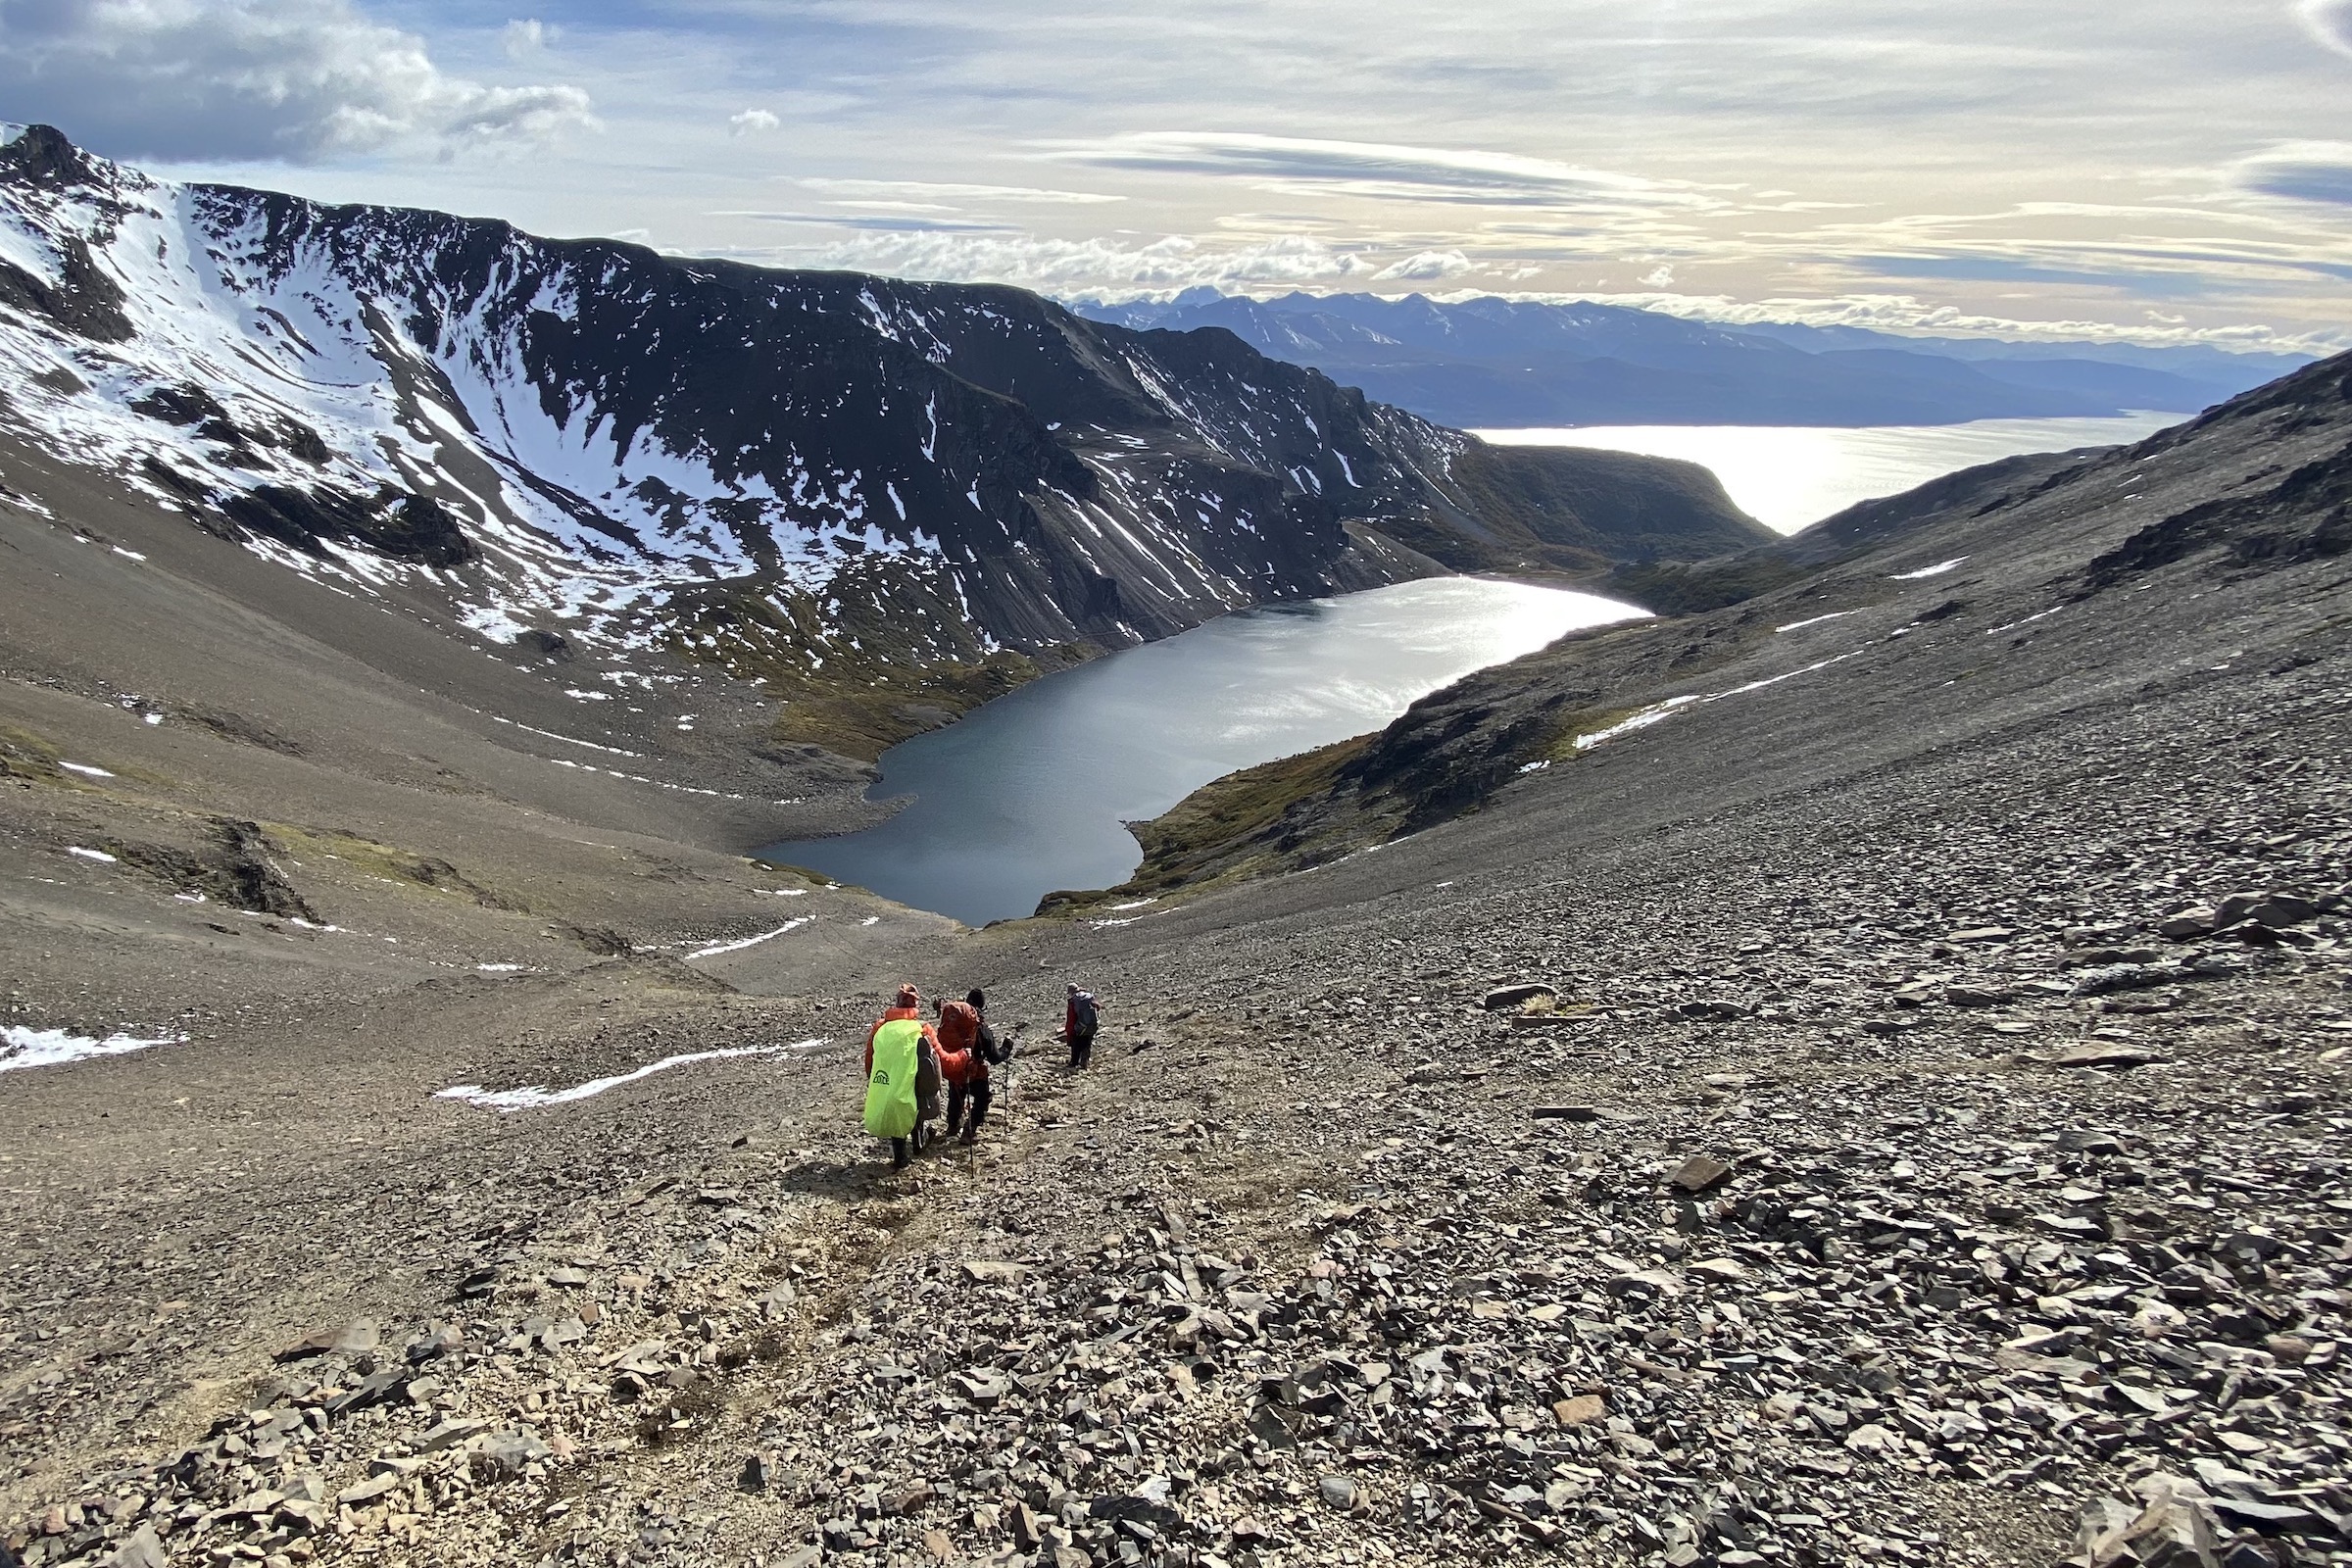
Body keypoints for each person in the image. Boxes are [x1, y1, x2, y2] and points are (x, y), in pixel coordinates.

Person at [864, 984, 941, 1167]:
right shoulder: (922, 1028)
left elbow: (870, 1055)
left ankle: (900, 1157)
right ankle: (918, 1142)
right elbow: (939, 1057)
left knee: (896, 1109)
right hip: (916, 1080)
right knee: (914, 1106)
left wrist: (873, 1078)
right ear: (916, 1004)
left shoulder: (881, 1027)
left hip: (889, 1077)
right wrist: (962, 1058)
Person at [943, 988, 1010, 1143]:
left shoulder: (954, 1023)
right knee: (982, 1098)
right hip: (975, 1072)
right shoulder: (980, 1027)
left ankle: (952, 1126)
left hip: (956, 1068)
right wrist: (1006, 1049)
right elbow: (994, 1058)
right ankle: (970, 1130)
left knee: (956, 1095)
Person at [1061, 982, 1100, 1070]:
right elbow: (1098, 1007)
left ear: (1070, 992)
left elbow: (1071, 1019)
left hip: (1080, 1028)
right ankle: (1084, 1063)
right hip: (1092, 1025)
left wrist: (1069, 1032)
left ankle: (1074, 1064)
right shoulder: (1088, 996)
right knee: (1087, 1044)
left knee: (1076, 1044)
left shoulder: (1073, 1001)